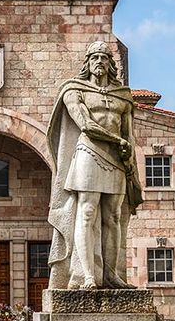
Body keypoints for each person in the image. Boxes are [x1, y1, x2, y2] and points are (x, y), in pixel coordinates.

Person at [47, 41, 142, 289]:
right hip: (89, 153)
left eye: (104, 58)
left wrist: (131, 161)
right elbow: (85, 124)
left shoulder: (123, 96)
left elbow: (129, 134)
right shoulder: (74, 90)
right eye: (94, 57)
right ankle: (86, 275)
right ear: (87, 63)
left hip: (117, 159)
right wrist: (117, 140)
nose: (99, 61)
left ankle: (111, 275)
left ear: (111, 64)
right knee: (87, 212)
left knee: (112, 216)